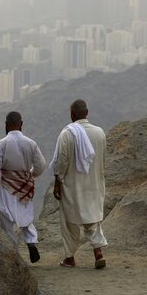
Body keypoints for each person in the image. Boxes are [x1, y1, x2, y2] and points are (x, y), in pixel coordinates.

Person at [50, 99, 108, 269]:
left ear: (72, 114)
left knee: (69, 221)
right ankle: (98, 252)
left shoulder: (67, 133)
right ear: (87, 113)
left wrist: (57, 181)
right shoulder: (99, 132)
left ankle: (70, 257)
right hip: (94, 183)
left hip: (73, 185)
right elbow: (103, 159)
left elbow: (62, 160)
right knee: (93, 219)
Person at [0, 111, 46, 263]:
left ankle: (14, 254)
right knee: (25, 217)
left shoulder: (2, 143)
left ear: (6, 125)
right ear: (21, 124)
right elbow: (41, 165)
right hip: (25, 185)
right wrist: (30, 175)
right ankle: (31, 241)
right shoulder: (31, 143)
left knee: (6, 220)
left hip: (6, 186)